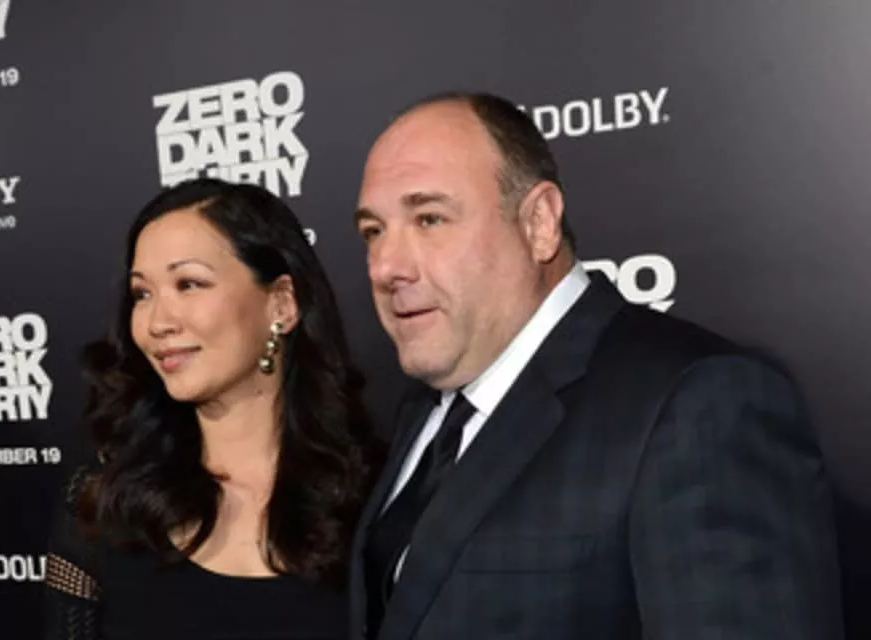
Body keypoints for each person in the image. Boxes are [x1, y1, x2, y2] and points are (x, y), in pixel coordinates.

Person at [349, 92, 844, 640]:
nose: (385, 266)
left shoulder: (697, 404)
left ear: (539, 223)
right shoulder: (426, 411)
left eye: (429, 219)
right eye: (373, 232)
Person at [42, 178, 380, 639]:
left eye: (189, 283)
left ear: (281, 304)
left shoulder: (378, 497)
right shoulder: (104, 500)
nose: (158, 322)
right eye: (142, 294)